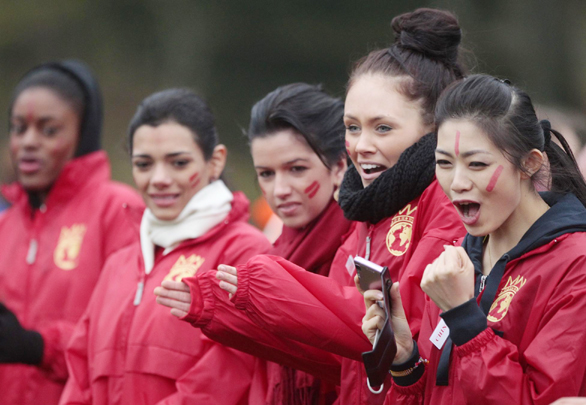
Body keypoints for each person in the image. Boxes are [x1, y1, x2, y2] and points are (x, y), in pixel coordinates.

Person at [158, 8, 466, 405]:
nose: (361, 144)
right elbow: (345, 358)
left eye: (382, 127)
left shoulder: (442, 203)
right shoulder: (368, 214)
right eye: (352, 127)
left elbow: (399, 333)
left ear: (433, 128)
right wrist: (223, 311)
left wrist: (269, 287)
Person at [361, 74, 586, 404]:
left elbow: (545, 398)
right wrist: (405, 361)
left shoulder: (584, 264)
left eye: (476, 164)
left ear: (530, 163)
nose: (457, 182)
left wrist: (465, 319)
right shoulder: (458, 257)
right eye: (444, 163)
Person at [59, 88, 271, 404]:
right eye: (144, 164)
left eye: (178, 163)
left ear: (215, 162)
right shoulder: (120, 263)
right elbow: (80, 376)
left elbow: (228, 376)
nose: (159, 178)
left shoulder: (245, 252)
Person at [155, 83, 353, 405]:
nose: (280, 189)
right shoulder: (272, 254)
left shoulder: (360, 247)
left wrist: (223, 311)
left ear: (340, 167)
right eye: (266, 174)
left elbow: (356, 357)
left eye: (296, 169)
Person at [0, 60, 143, 405]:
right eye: (19, 128)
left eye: (49, 130)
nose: (29, 142)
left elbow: (131, 339)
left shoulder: (118, 209)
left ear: (83, 135)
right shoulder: (5, 224)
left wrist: (38, 347)